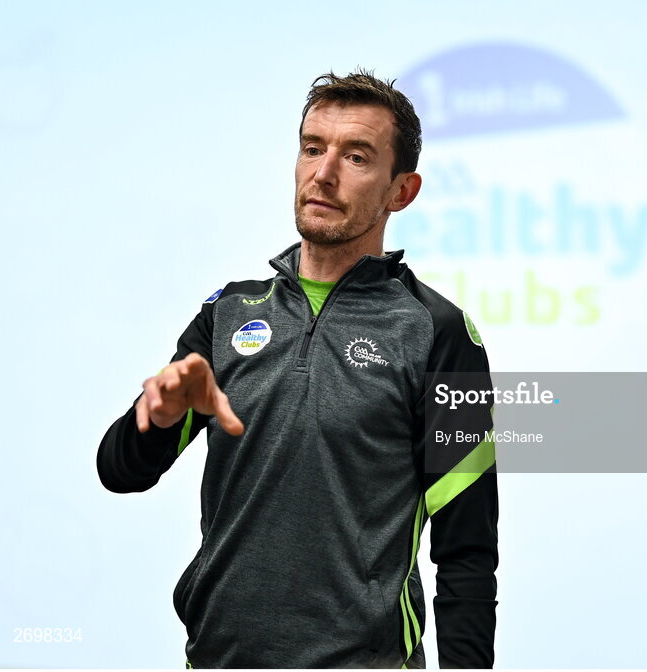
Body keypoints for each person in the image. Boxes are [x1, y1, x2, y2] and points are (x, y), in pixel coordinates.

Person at [97, 71, 498, 669]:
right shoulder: (227, 314)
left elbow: (467, 549)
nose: (323, 173)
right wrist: (154, 418)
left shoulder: (440, 333)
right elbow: (120, 473)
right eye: (313, 148)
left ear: (401, 191)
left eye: (356, 157)